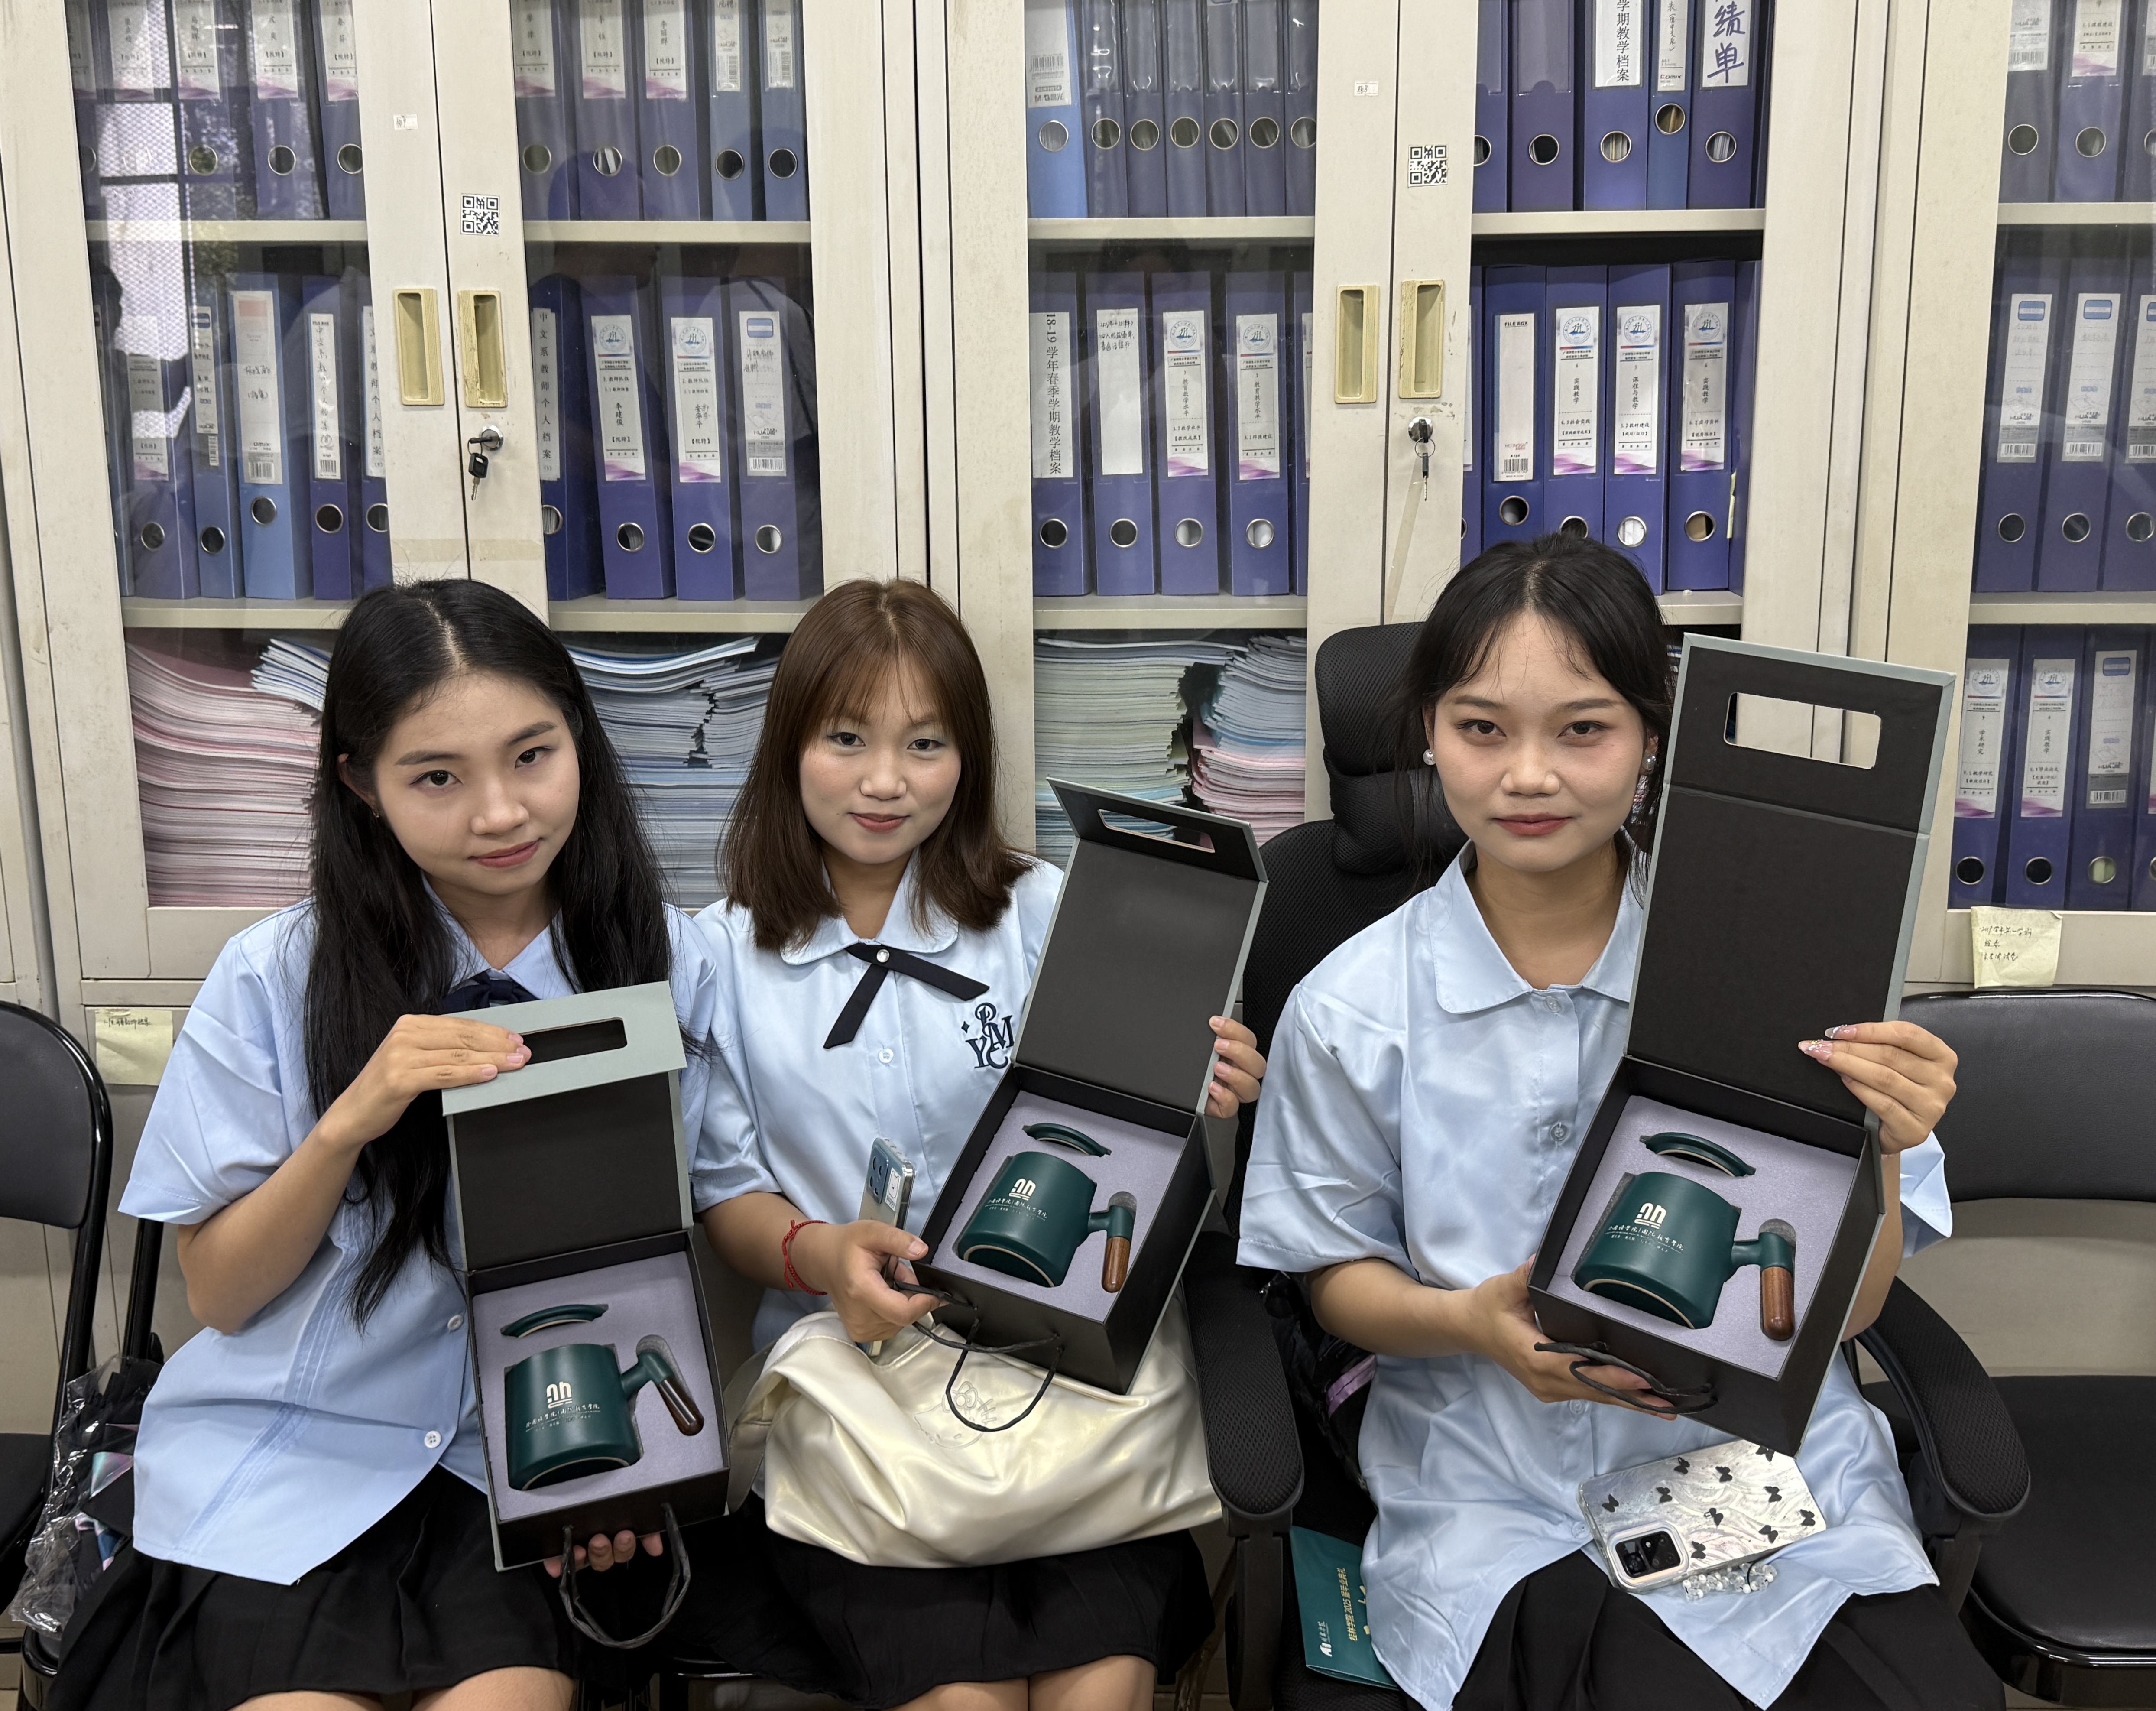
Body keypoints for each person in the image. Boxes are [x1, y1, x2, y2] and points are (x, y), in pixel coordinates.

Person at [1236, 536, 2004, 1711]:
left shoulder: (1778, 968)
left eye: (1582, 730)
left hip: (1751, 1473)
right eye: (1481, 728)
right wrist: (1469, 1323)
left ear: (1654, 739)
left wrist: (1885, 1154)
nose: (1527, 775)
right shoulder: (1351, 1005)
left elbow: (1845, 1312)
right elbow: (1332, 1278)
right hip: (1491, 1477)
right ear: (1428, 734)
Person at [602, 578, 1265, 1711]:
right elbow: (729, 1199)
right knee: (959, 1698)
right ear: (788, 745)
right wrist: (824, 1255)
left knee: (1104, 1686)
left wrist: (1208, 1102)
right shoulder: (713, 956)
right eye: (845, 739)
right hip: (862, 1392)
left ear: (968, 757)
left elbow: (1132, 1154)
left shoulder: (1044, 910)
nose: (884, 782)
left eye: (925, 744)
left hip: (1064, 1376)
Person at [53, 581, 717, 1711]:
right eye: (437, 778)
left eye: (532, 756)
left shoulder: (672, 964)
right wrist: (349, 1123)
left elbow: (664, 1252)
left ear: (580, 738)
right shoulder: (278, 974)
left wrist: (629, 1463)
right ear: (362, 786)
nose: (500, 812)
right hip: (291, 1461)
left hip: (526, 1458)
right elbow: (219, 1294)